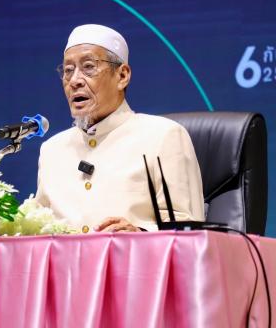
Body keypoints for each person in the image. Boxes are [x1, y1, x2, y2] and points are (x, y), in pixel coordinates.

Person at [36, 24, 204, 232]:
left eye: (88, 67)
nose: (75, 81)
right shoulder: (52, 150)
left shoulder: (163, 136)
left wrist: (138, 235)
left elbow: (188, 231)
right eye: (68, 70)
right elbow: (38, 231)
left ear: (122, 75)